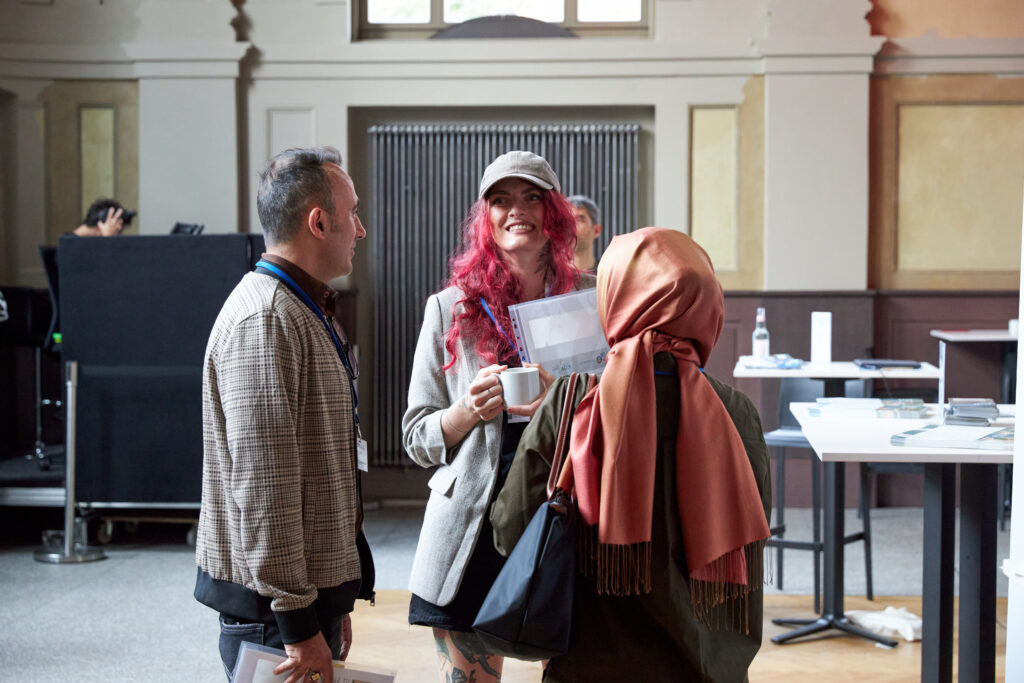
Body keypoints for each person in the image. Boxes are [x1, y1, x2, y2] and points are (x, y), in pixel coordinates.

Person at [491, 227, 773, 682]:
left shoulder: (571, 403)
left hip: (590, 667)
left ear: (615, 299)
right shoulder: (737, 412)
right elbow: (753, 541)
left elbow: (510, 531)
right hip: (706, 670)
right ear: (707, 303)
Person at [403, 151, 594, 683]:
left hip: (567, 512)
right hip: (473, 522)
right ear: (484, 218)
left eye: (532, 196)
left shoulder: (589, 299)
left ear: (553, 211)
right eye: (501, 200)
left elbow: (624, 411)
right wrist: (465, 411)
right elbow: (416, 437)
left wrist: (569, 394)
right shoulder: (449, 308)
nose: (517, 210)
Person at [194, 146, 367, 683]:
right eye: (353, 213)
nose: (359, 230)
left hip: (302, 601)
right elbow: (264, 486)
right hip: (275, 619)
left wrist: (332, 602)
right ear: (319, 222)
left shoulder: (298, 307)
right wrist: (298, 623)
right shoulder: (266, 320)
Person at [566, 195, 601, 272]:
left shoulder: (607, 274)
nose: (571, 226)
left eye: (579, 220)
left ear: (596, 230)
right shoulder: (546, 275)